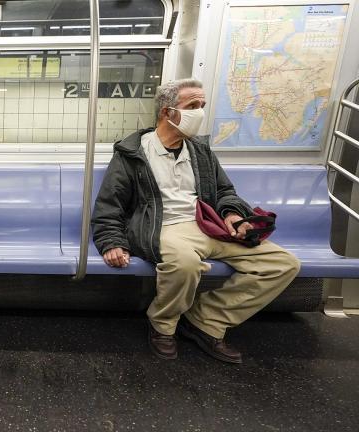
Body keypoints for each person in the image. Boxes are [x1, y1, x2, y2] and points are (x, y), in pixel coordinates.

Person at [91, 78, 300, 364]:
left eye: (201, 105)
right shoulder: (133, 154)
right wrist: (111, 242)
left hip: (208, 225)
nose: (199, 112)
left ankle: (205, 319)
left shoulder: (200, 152)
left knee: (282, 264)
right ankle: (163, 325)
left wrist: (233, 215)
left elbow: (225, 191)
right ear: (167, 112)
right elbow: (109, 204)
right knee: (184, 264)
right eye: (192, 106)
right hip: (163, 226)